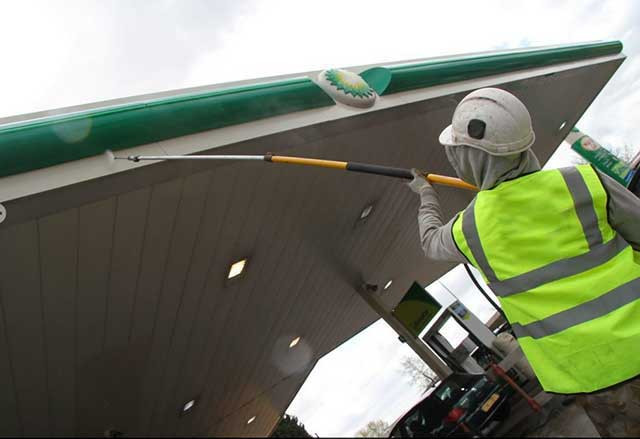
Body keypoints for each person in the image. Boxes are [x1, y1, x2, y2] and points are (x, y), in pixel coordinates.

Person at [407, 87, 640, 436]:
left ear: (471, 158)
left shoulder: (471, 229)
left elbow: (429, 241)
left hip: (595, 376)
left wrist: (425, 194)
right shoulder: (582, 182)